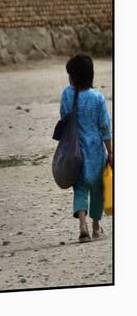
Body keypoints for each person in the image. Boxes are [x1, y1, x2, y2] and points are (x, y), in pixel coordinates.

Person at [60, 54, 112, 242]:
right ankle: (96, 226)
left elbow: (64, 119)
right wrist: (111, 151)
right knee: (97, 189)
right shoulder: (97, 98)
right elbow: (105, 127)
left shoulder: (67, 94)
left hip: (75, 153)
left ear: (73, 76)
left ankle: (82, 225)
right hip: (96, 153)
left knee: (80, 188)